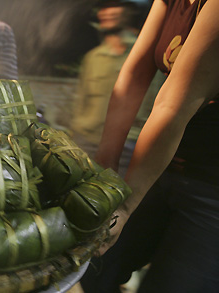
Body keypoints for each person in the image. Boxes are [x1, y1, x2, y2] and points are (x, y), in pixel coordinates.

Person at [80, 0, 219, 291]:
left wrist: (126, 206)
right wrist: (106, 167)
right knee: (90, 269)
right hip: (162, 167)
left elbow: (174, 104)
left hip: (212, 187)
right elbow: (133, 76)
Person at [70, 0, 165, 176]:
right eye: (103, 8)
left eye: (114, 6)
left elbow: (160, 103)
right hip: (87, 143)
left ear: (130, 11)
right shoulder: (93, 57)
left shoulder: (148, 55)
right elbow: (80, 103)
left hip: (128, 147)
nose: (107, 12)